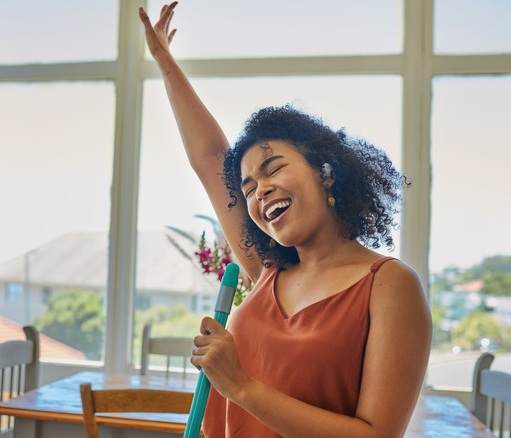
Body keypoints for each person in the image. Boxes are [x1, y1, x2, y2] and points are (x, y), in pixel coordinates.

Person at [139, 3, 432, 437]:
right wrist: (165, 64)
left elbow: (376, 435)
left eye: (273, 169)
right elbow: (209, 160)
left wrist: (239, 386)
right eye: (250, 187)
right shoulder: (267, 270)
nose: (259, 191)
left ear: (325, 171)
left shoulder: (390, 285)